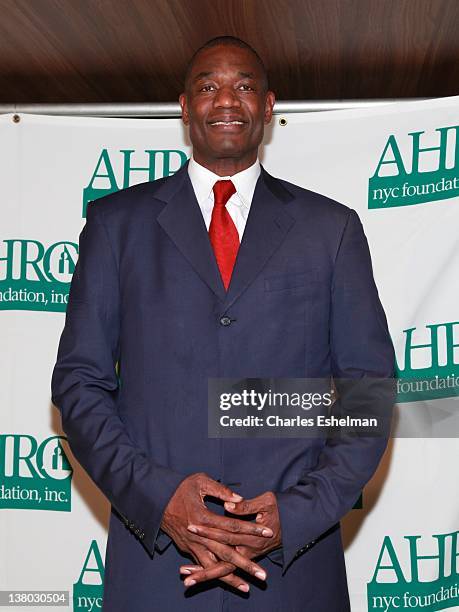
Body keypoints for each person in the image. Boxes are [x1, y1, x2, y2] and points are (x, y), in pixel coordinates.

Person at [51, 36, 395, 611]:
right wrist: (159, 499)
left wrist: (296, 514)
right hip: (156, 568)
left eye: (244, 86)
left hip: (294, 575)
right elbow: (78, 384)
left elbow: (368, 391)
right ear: (184, 108)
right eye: (208, 86)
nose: (226, 100)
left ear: (268, 106)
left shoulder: (330, 230)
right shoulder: (116, 225)